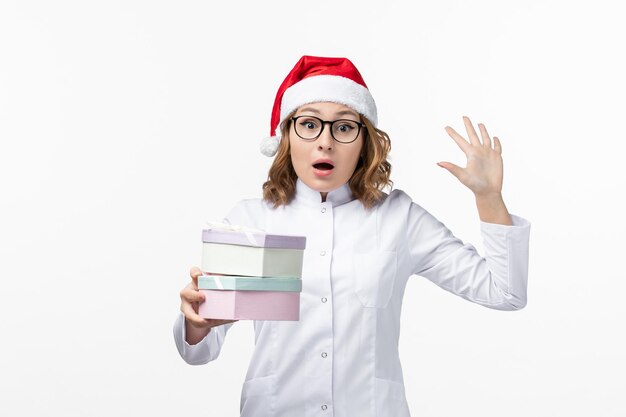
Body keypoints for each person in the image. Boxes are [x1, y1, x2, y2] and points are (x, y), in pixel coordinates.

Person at [173, 55, 531, 417]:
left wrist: (488, 197)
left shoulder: (399, 218)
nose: (325, 142)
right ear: (286, 138)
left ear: (364, 143)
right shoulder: (250, 220)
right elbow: (198, 352)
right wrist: (196, 322)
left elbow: (505, 293)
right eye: (309, 124)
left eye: (343, 128)